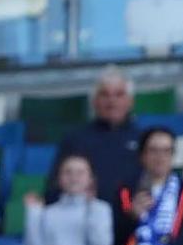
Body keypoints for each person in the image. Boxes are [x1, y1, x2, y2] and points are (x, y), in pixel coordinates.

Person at [51, 70, 143, 213]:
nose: (111, 102)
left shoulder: (144, 140)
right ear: (94, 101)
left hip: (132, 222)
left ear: (130, 101)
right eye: (104, 95)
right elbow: (54, 188)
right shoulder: (74, 139)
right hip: (83, 221)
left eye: (119, 95)